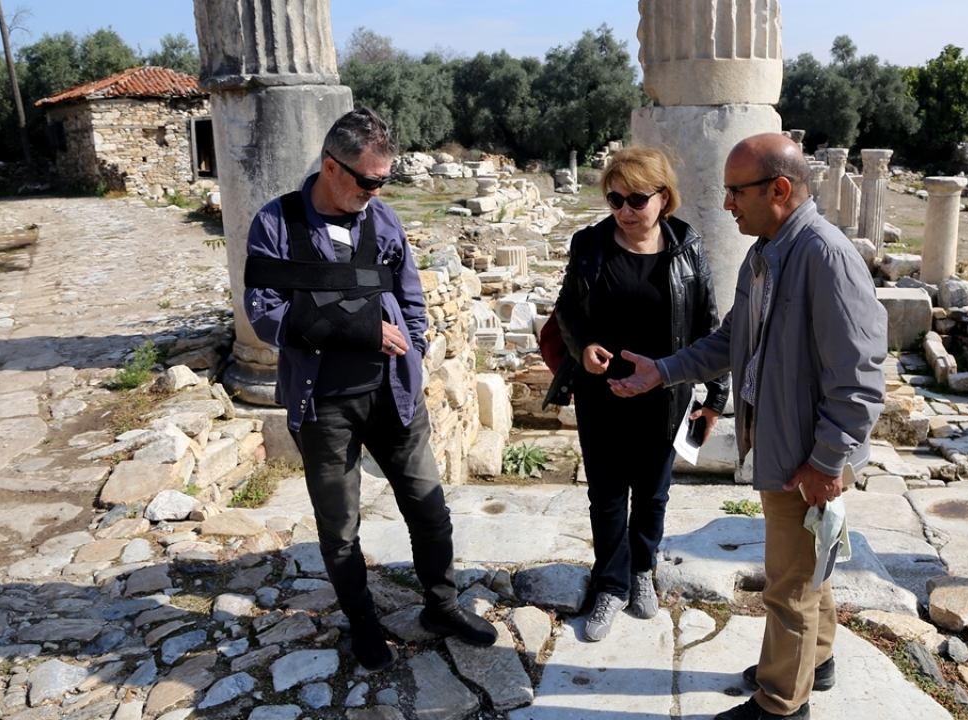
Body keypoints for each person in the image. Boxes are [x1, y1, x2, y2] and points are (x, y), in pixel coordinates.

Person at [609, 134, 887, 720]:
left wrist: (827, 462)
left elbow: (861, 378)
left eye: (736, 191)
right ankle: (818, 660)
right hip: (785, 449)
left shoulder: (824, 257)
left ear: (779, 190)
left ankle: (782, 704)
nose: (727, 203)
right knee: (808, 564)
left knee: (788, 586)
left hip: (808, 459)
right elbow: (732, 340)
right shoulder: (767, 254)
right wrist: (662, 371)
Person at [243, 107, 497, 671]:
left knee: (430, 510)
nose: (377, 190)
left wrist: (416, 343)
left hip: (393, 398)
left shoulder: (381, 222)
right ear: (332, 168)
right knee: (339, 528)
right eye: (368, 180)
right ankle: (363, 624)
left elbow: (409, 297)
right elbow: (265, 315)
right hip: (323, 406)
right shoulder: (276, 224)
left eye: (384, 179)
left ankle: (442, 605)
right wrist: (357, 330)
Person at [543, 147, 729, 642]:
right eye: (615, 199)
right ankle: (609, 583)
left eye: (637, 199)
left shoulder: (686, 246)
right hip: (601, 393)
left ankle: (641, 569)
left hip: (664, 393)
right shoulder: (589, 244)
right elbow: (566, 309)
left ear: (663, 198)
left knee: (652, 494)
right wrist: (582, 348)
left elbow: (710, 327)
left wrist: (715, 399)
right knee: (605, 495)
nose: (625, 210)